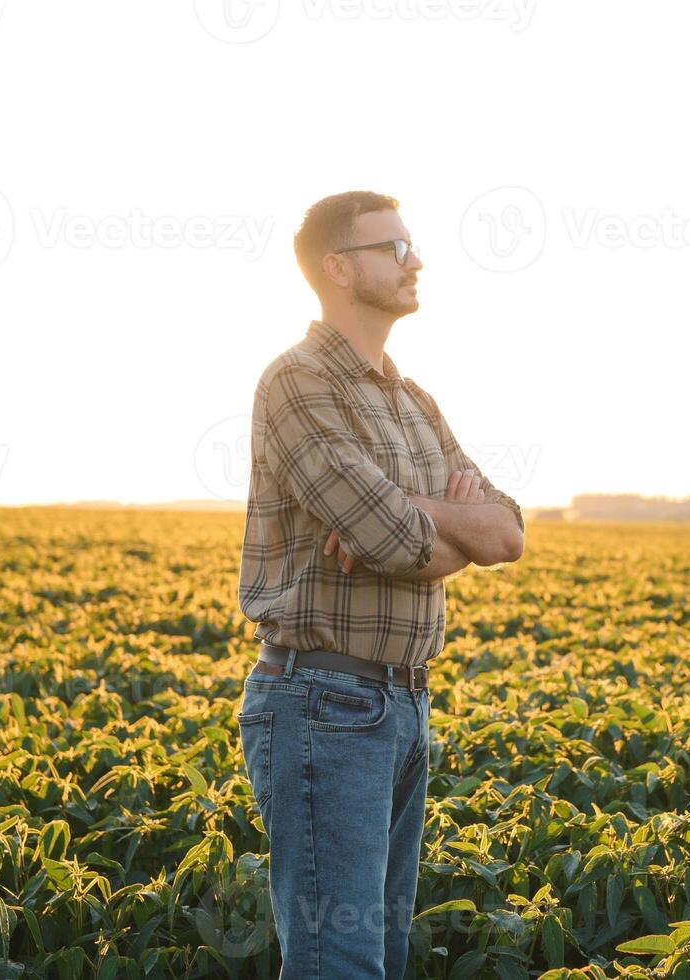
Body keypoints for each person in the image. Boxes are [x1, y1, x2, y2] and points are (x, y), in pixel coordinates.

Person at [234, 190, 525, 978]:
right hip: (324, 702)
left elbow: (507, 531)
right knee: (342, 962)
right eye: (394, 247)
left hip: (401, 706)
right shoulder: (296, 384)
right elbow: (393, 538)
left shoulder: (412, 400)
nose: (416, 260)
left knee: (381, 958)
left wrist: (418, 519)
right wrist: (428, 523)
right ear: (337, 268)